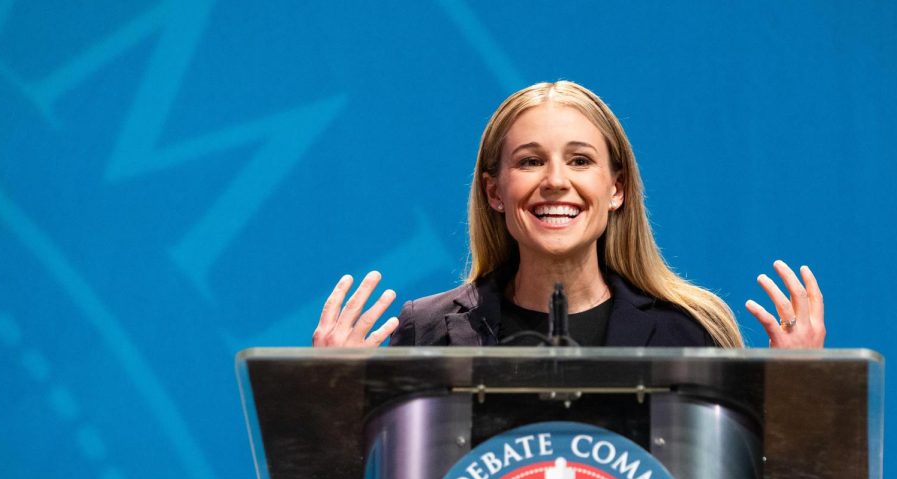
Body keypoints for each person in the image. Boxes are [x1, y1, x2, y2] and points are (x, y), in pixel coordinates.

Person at [313, 80, 826, 350]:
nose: (556, 181)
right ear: (494, 192)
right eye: (530, 161)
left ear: (616, 189)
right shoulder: (426, 333)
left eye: (580, 161)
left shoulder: (690, 333)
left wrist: (800, 396)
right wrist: (331, 398)